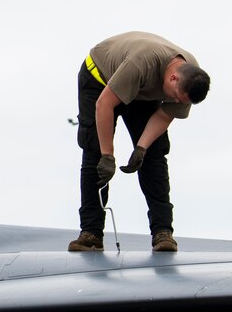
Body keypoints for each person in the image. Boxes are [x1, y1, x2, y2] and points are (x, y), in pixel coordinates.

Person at [69, 31, 210, 253]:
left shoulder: (191, 80)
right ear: (173, 78)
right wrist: (108, 155)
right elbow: (103, 105)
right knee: (95, 152)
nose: (175, 102)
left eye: (180, 102)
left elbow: (164, 115)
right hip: (100, 79)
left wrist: (141, 148)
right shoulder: (141, 64)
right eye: (175, 97)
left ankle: (163, 233)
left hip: (141, 91)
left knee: (155, 154)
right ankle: (91, 234)